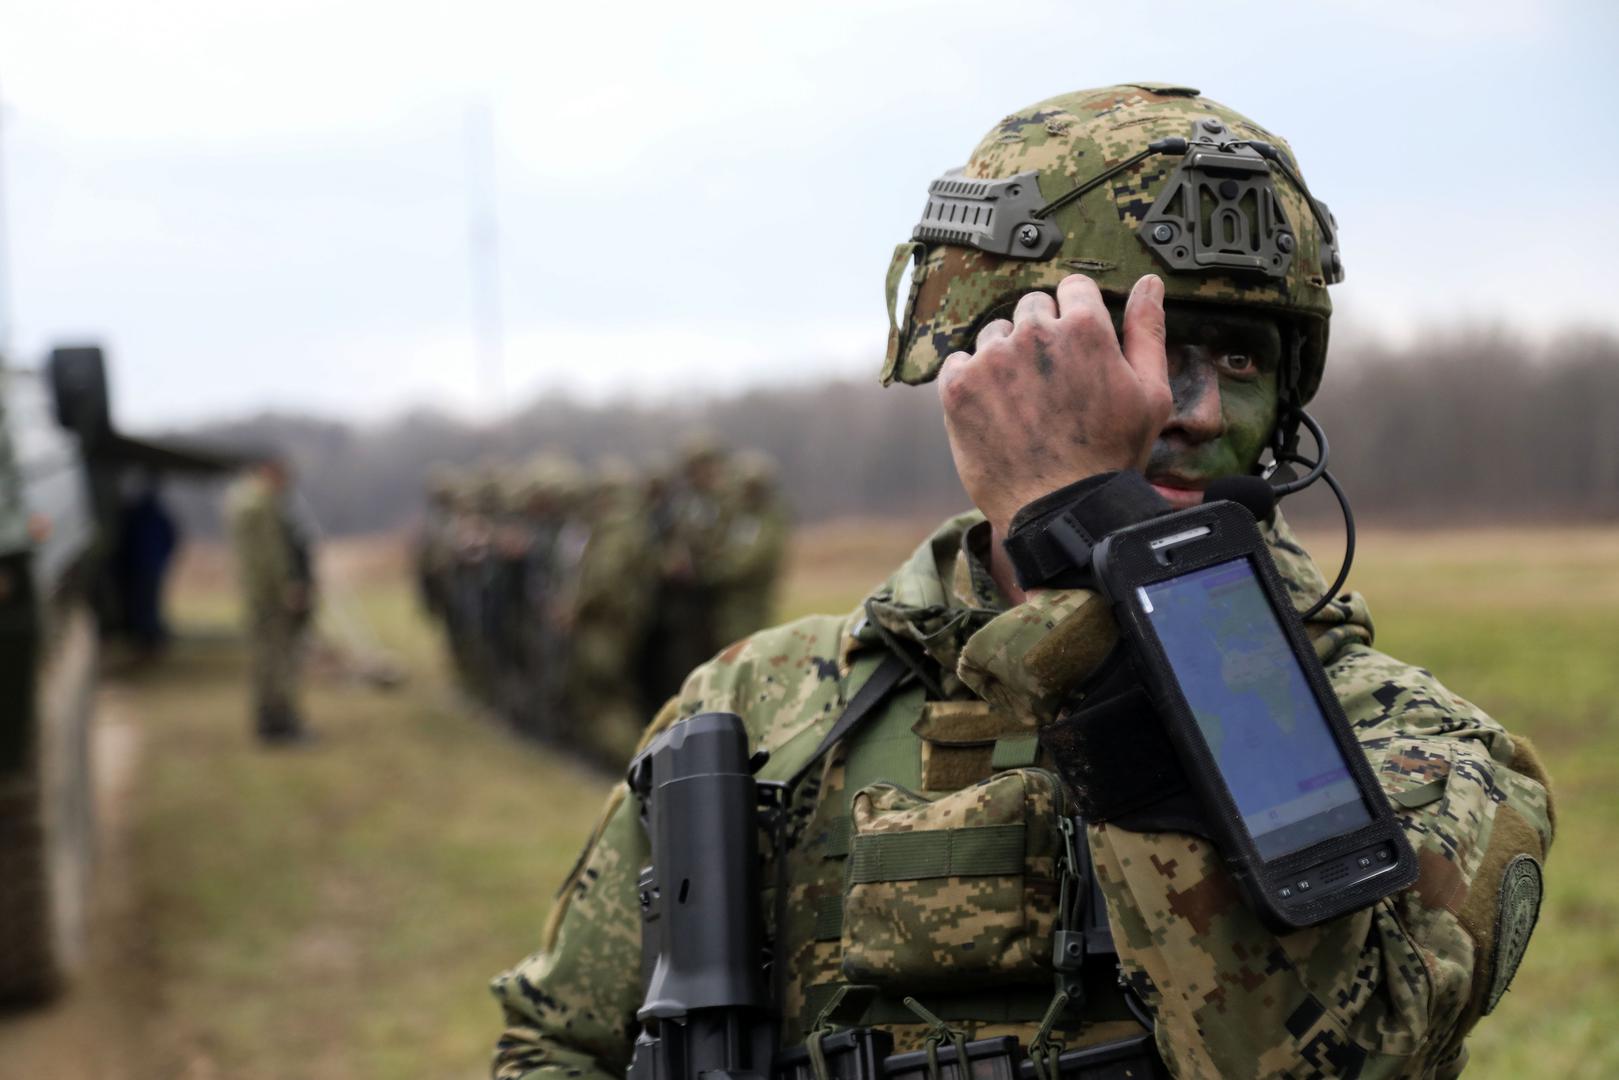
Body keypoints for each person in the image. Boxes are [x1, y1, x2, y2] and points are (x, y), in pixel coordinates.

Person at [489, 85, 1554, 1079]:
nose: (1185, 408)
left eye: (1236, 359)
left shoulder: (1410, 744)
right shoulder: (759, 703)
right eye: (1122, 348)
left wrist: (1087, 549)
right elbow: (559, 1042)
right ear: (979, 374)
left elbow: (1338, 1056)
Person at [226, 457, 315, 743]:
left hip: (257, 594)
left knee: (265, 658)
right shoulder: (261, 504)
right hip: (270, 596)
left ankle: (269, 721)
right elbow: (271, 554)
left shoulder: (239, 500)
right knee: (277, 659)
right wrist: (287, 586)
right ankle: (280, 724)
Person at [708, 450, 790, 647]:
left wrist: (712, 570)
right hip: (728, 610)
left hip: (750, 609)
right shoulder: (739, 516)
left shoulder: (769, 520)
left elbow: (747, 564)